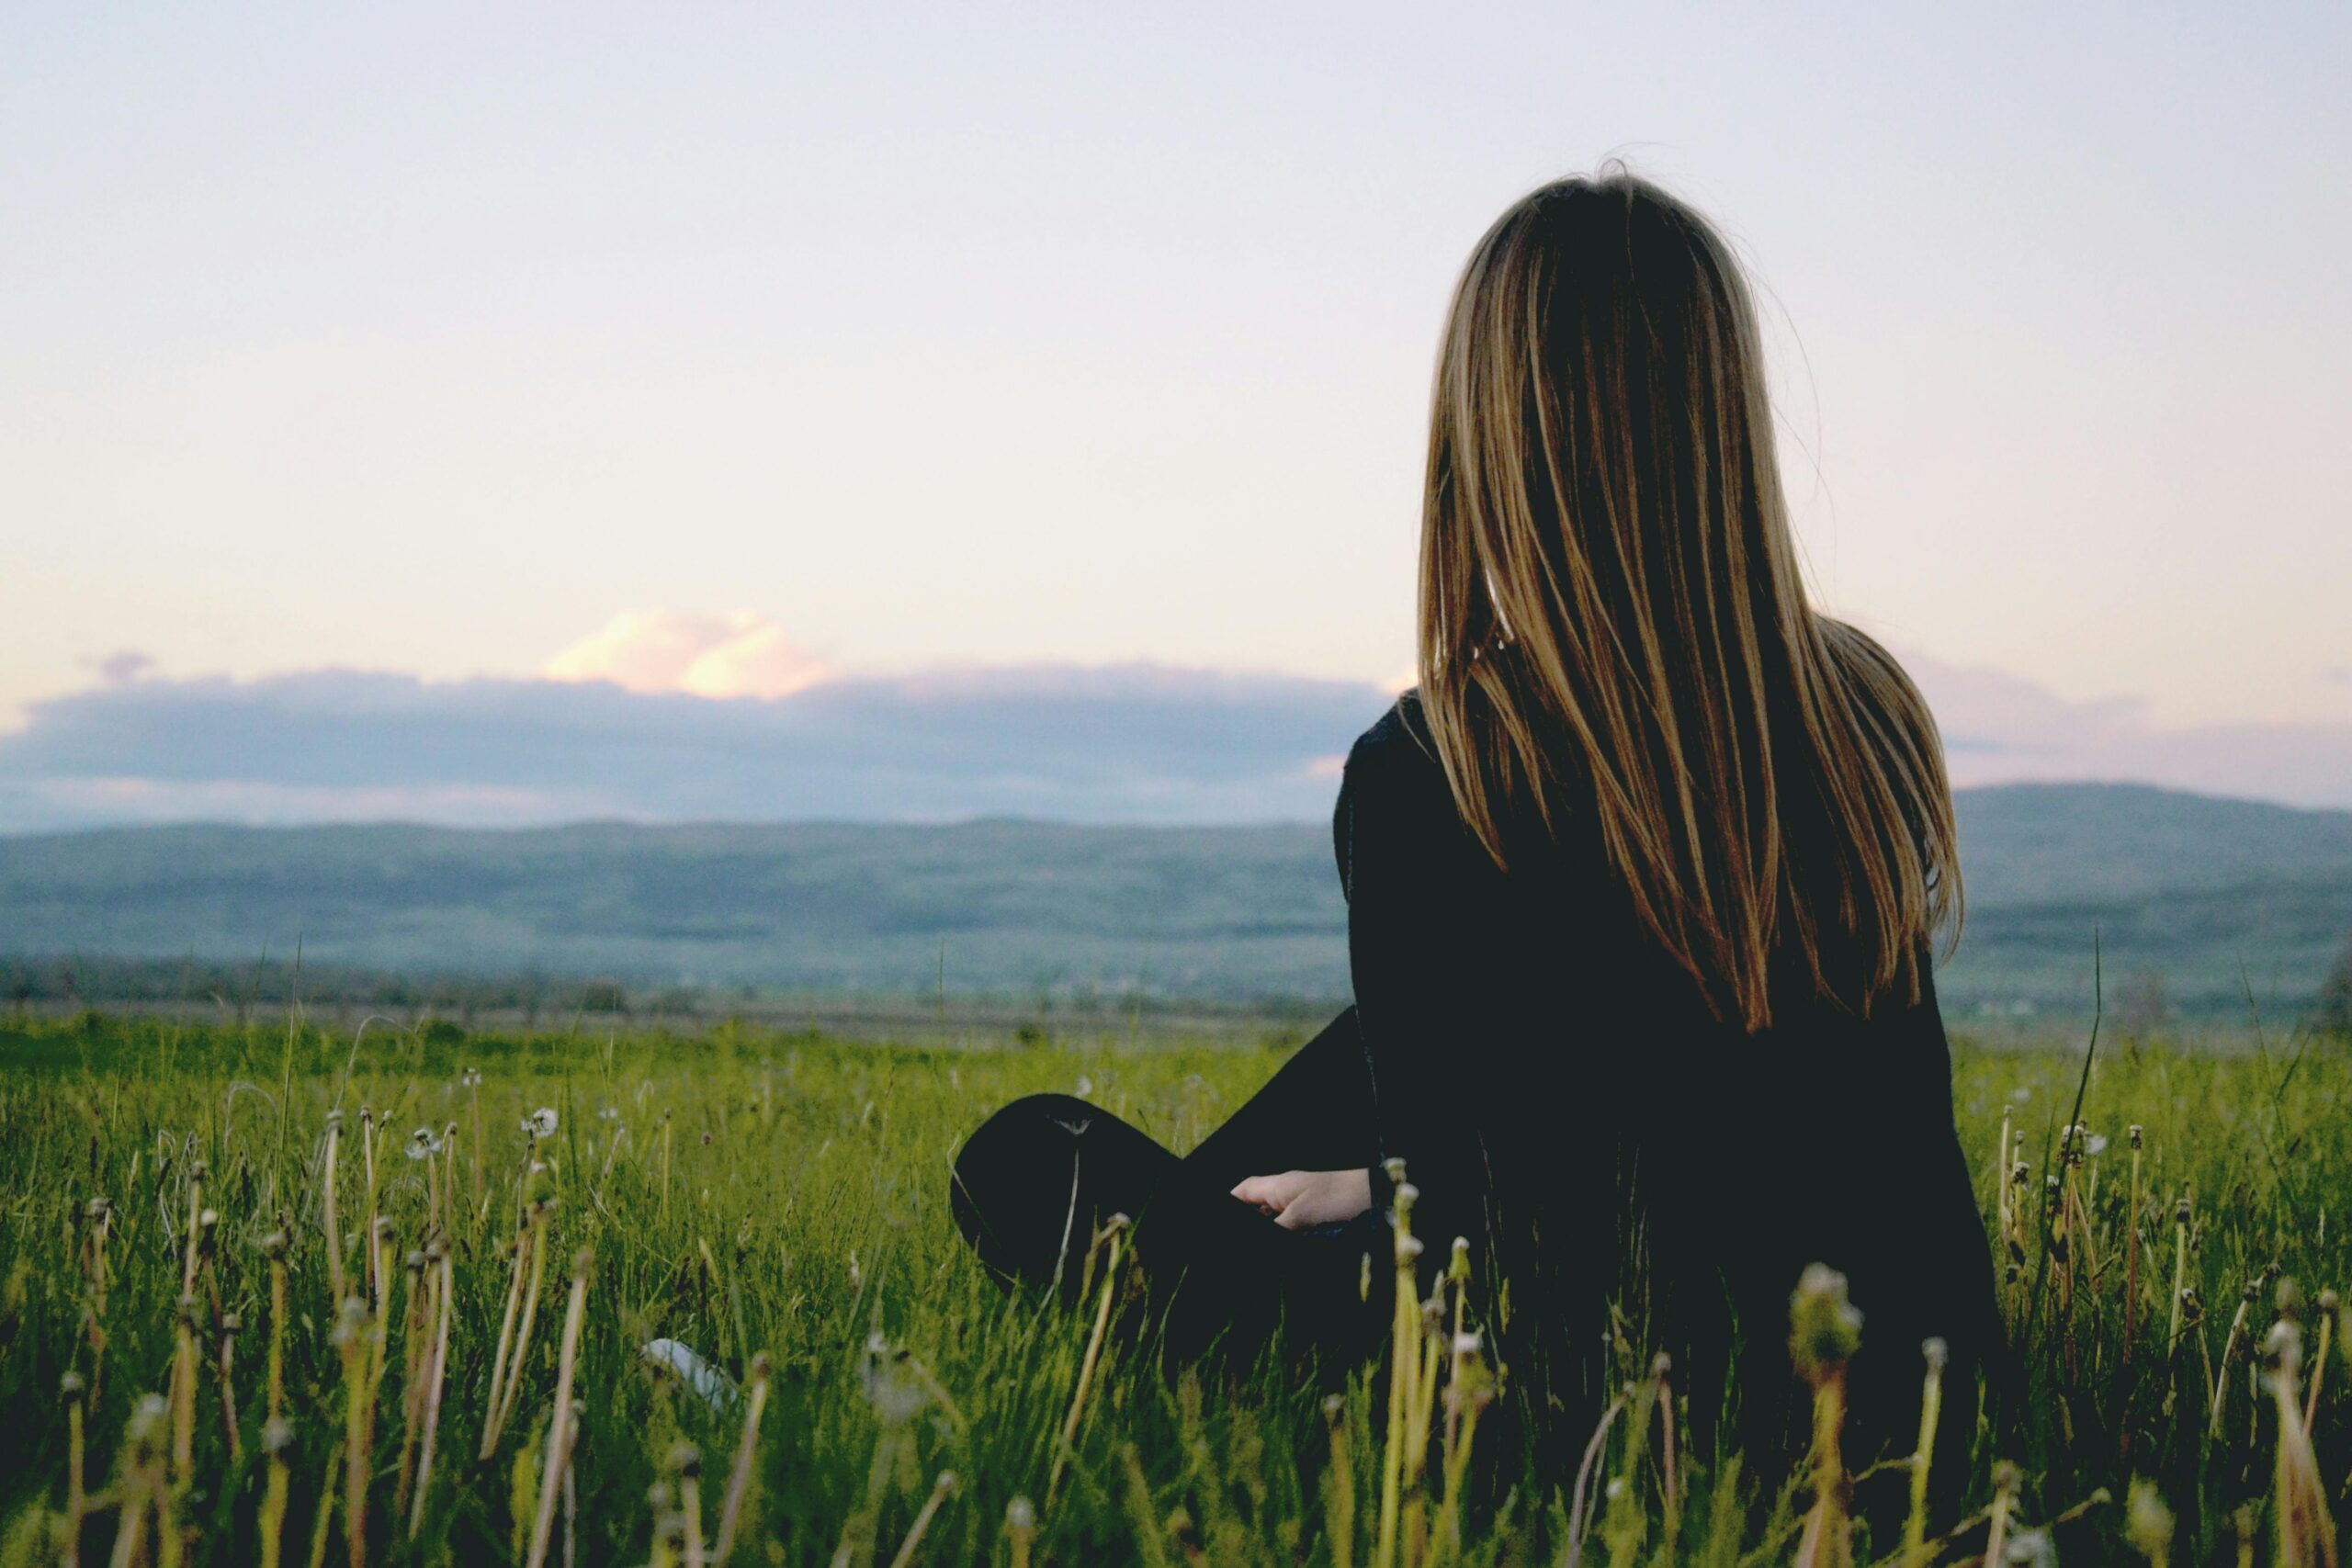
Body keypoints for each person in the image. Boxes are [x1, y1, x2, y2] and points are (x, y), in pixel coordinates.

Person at [948, 165, 1998, 1495]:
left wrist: (1388, 1200)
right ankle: (1282, 1205)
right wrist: (1376, 1178)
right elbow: (1739, 1104)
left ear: (1492, 436)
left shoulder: (1442, 767)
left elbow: (1484, 1261)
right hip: (1902, 1386)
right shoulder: (1863, 708)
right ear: (1724, 418)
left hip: (1580, 1414)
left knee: (1024, 1162)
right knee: (1367, 1056)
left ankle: (1174, 1286)